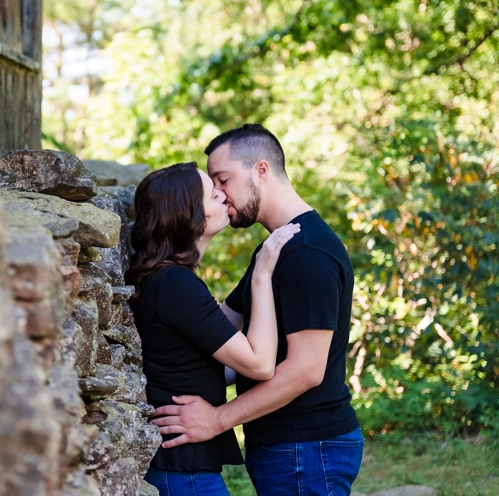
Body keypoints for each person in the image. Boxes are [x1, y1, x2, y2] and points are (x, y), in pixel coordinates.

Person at [151, 124, 364, 496]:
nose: (219, 194)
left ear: (260, 170)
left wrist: (218, 419)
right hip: (287, 447)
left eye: (223, 180)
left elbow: (306, 371)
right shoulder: (273, 251)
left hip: (307, 447)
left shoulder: (306, 253)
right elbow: (218, 331)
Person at [126, 162, 300, 496]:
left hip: (185, 468)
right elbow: (259, 364)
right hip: (184, 472)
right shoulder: (175, 284)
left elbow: (217, 358)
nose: (222, 194)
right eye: (211, 192)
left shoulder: (169, 281)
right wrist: (261, 276)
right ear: (189, 214)